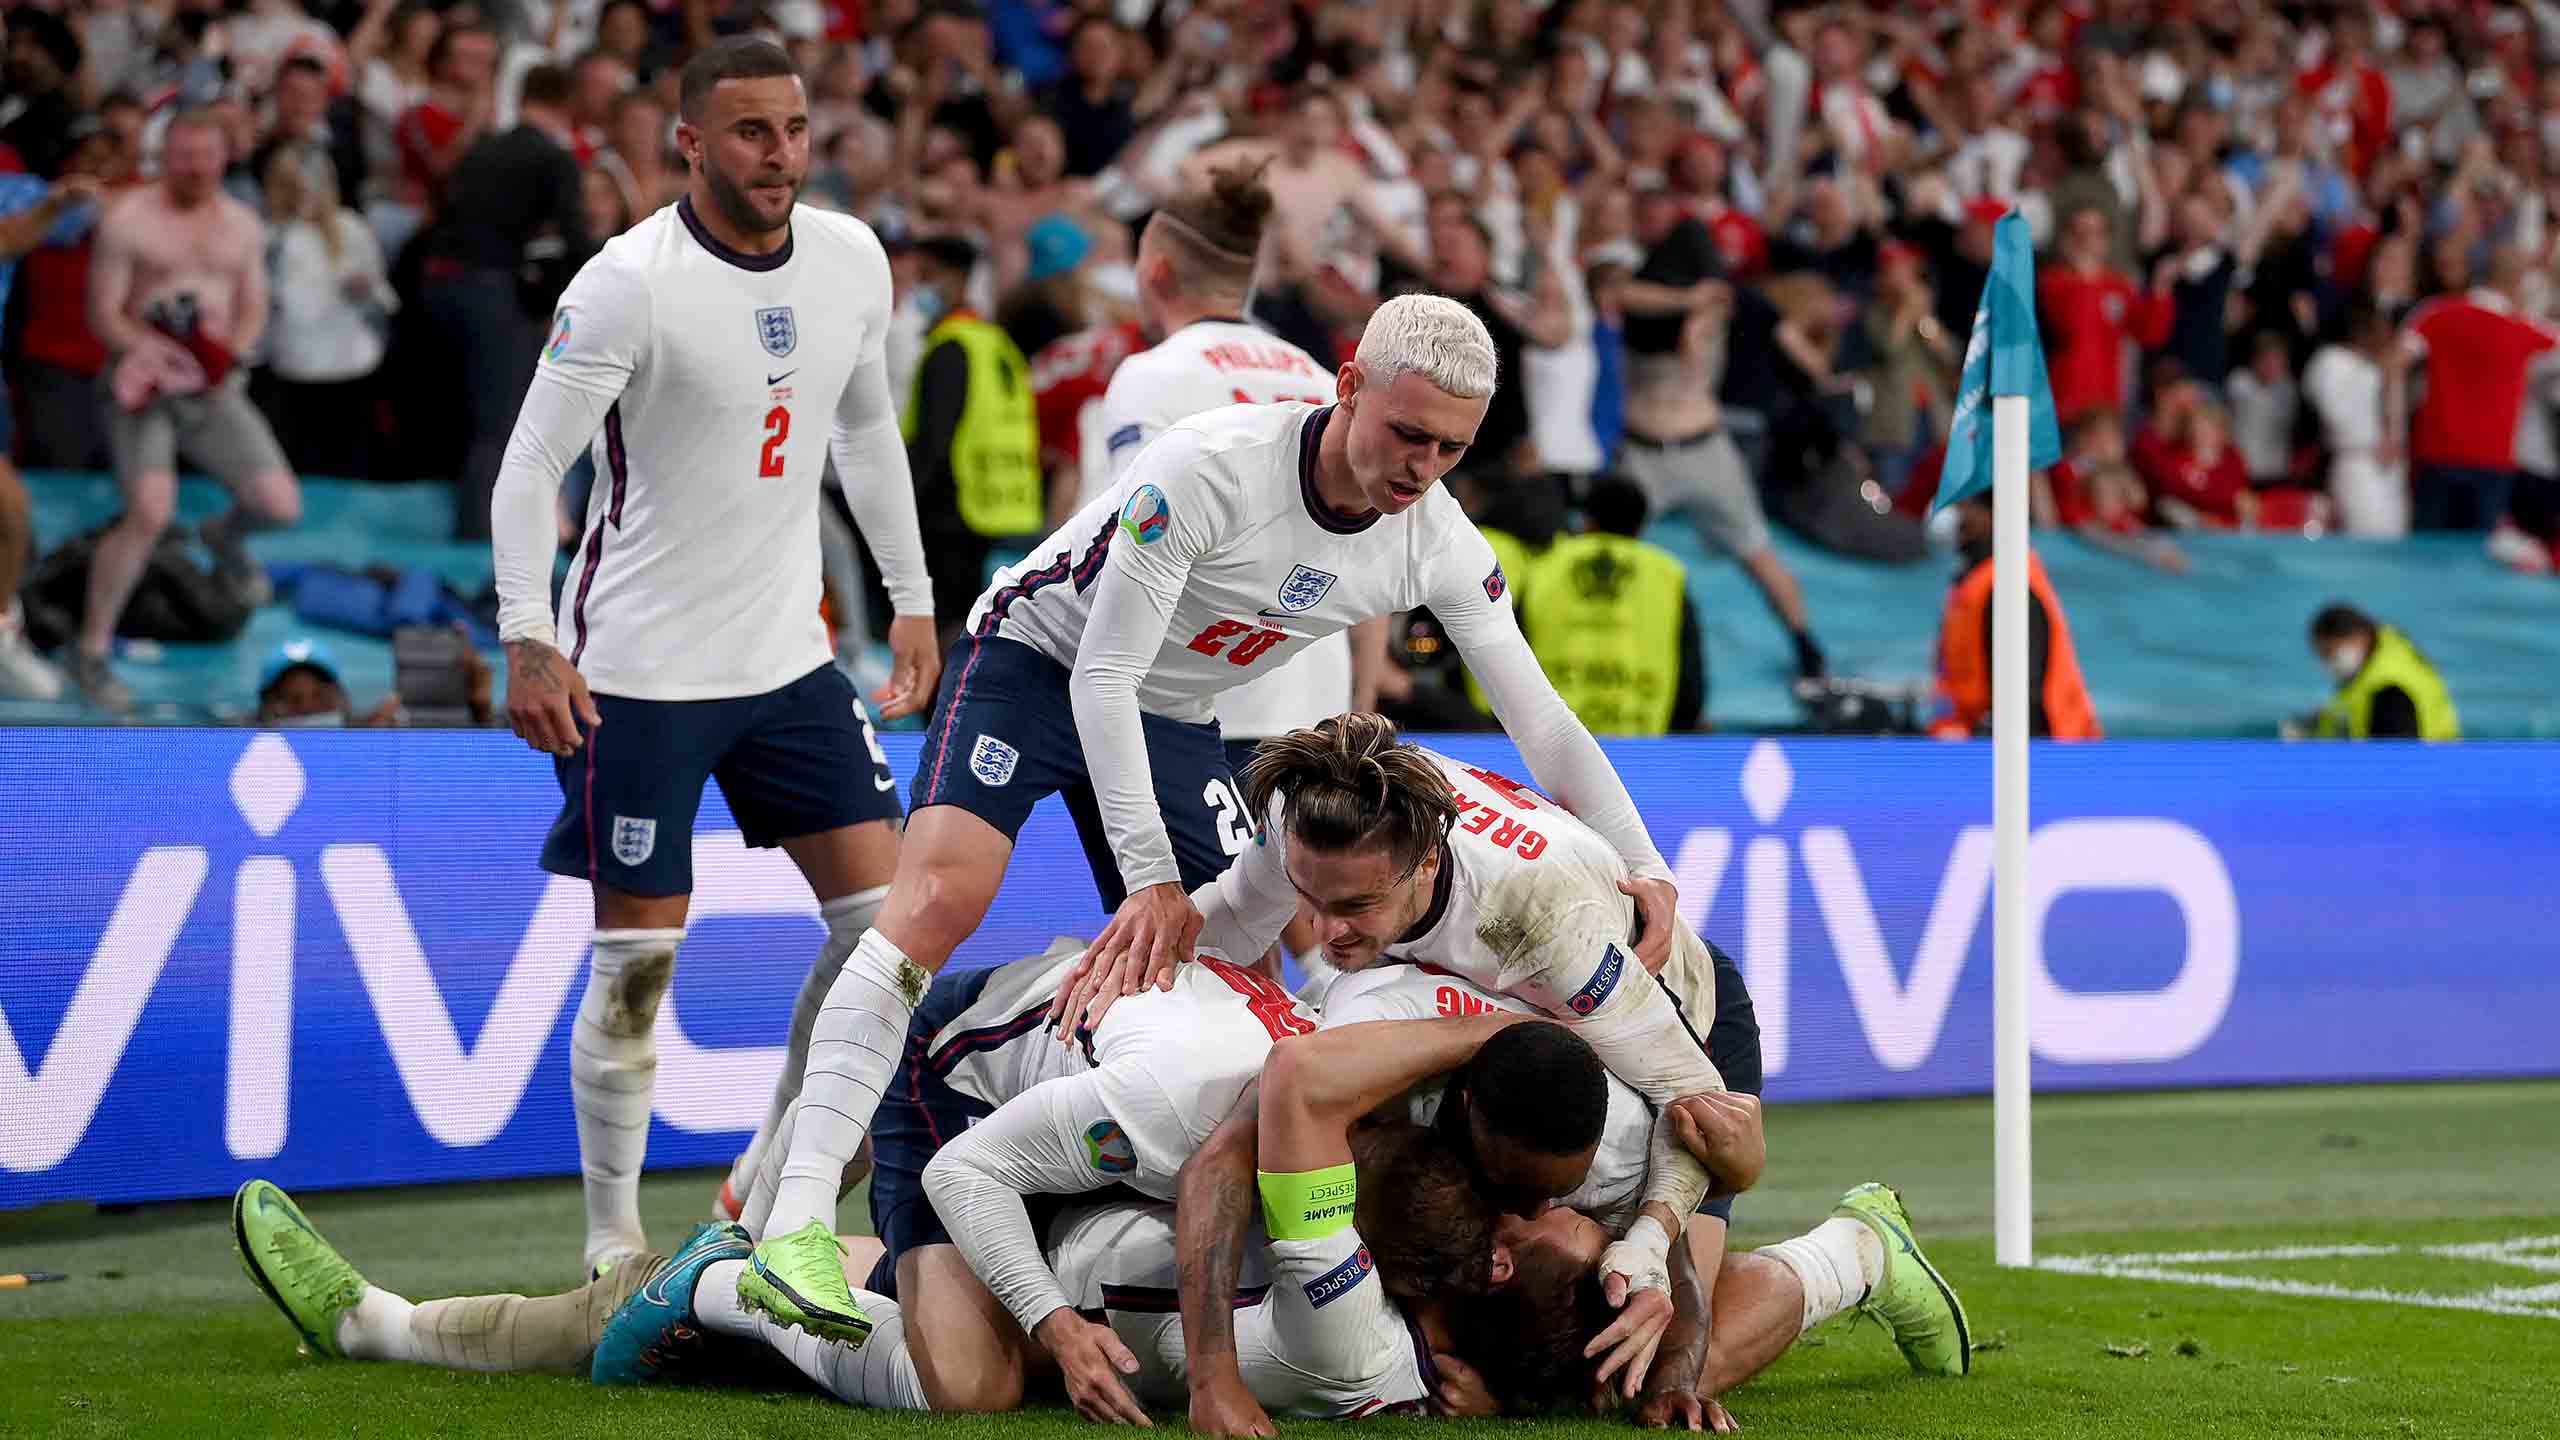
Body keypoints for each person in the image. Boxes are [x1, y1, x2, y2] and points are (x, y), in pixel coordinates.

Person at [743, 295, 1687, 1348]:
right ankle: (789, 1220)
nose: (1423, 468)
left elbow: (1542, 720)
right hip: (1037, 663)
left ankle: (1046, 1210)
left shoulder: (1436, 539)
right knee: (938, 899)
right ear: (1346, 386)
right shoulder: (1208, 467)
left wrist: (1641, 860)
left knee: (1230, 978)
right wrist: (1147, 874)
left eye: (1450, 449)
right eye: (1407, 434)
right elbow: (1100, 675)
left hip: (1176, 715)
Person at [485, 37, 940, 1277]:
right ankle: (609, 1243)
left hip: (791, 661)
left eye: (792, 128)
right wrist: (528, 635)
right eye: (749, 132)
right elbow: (532, 466)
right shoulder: (628, 281)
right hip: (635, 674)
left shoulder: (852, 257)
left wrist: (909, 597)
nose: (778, 154)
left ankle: (757, 1182)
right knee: (637, 969)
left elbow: (864, 428)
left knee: (887, 937)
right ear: (687, 142)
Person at [1059, 715, 1751, 1395]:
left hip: (1665, 1003)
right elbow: (1235, 921)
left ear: (1427, 860)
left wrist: (1651, 1242)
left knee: (1661, 1351)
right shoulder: (1316, 818)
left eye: (1356, 905)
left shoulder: (1543, 930)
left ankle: (1844, 1251)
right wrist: (1135, 971)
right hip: (1498, 1030)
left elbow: (1702, 1109)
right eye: (1310, 901)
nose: (1326, 934)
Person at [1091, 162, 1371, 801]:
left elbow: (1130, 543)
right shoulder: (1322, 378)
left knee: (1183, 902)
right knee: (1294, 904)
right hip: (1316, 709)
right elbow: (1374, 535)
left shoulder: (1153, 376)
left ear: (1154, 270)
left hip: (1196, 709)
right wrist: (1363, 699)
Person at [77, 109, 303, 715]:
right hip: (143, 384)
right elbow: (104, 313)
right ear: (164, 156)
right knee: (150, 512)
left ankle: (222, 536)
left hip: (212, 385)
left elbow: (252, 305)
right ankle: (92, 648)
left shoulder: (241, 224)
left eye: (205, 155)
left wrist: (231, 353)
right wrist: (150, 353)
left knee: (280, 505)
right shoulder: (128, 220)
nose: (194, 167)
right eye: (182, 155)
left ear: (223, 156)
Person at [1616, 227, 1827, 680]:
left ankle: (1807, 645)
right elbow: (1623, 295)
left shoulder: (1719, 304)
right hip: (1642, 454)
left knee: (1756, 550)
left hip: (1704, 449)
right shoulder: (1649, 302)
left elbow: (1694, 349)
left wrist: (1698, 306)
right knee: (1611, 553)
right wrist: (1685, 299)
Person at [420, 61, 592, 541]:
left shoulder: (481, 148)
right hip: (491, 290)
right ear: (568, 105)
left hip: (437, 287)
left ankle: (462, 520)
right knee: (499, 424)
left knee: (466, 415)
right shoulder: (554, 159)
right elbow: (577, 242)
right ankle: (478, 542)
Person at [903, 232, 1044, 641]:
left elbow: (933, 442)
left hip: (957, 514)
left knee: (947, 632)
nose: (921, 290)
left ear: (956, 280)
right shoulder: (999, 343)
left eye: (927, 277)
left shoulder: (951, 347)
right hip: (1010, 507)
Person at [0, 156, 102, 699]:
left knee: (12, 518)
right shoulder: (35, 203)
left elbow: (104, 209)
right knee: (11, 507)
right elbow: (9, 238)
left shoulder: (19, 188)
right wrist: (56, 205)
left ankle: (0, 639)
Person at [1521, 476, 1703, 736]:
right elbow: (1690, 674)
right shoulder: (1667, 574)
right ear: (1641, 525)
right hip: (1642, 743)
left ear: (1587, 520)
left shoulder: (1543, 567)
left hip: (1554, 742)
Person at [257, 147, 394, 480]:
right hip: (293, 366)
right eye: (293, 187)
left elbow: (383, 296)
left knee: (347, 460)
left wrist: (367, 289)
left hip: (350, 364)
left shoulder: (351, 228)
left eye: (311, 186)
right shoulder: (270, 236)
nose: (305, 196)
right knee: (298, 462)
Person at [2400, 246, 2557, 532]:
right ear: (2517, 283)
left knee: (2423, 557)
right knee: (2475, 561)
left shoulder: (2435, 313)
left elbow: (2394, 365)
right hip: (2491, 461)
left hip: (2436, 453)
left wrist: (2393, 429)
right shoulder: (2526, 331)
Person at [1929, 496, 2101, 741]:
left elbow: (2025, 688)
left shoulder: (2010, 584)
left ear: (1989, 515)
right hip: (1972, 739)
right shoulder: (1972, 580)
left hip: (2052, 746)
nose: (1955, 513)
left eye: (1965, 505)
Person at [2303, 297, 2412, 538]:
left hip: (2393, 466)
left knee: (2396, 543)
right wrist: (2376, 371)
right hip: (2357, 461)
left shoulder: (2389, 365)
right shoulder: (2330, 361)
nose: (2386, 334)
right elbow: (2337, 415)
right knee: (2367, 541)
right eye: (2379, 326)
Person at [2303, 604, 2459, 742]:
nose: (2326, 663)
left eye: (2330, 653)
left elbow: (2394, 764)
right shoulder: (2380, 660)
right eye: (2321, 655)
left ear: (2359, 638)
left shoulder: (2389, 691)